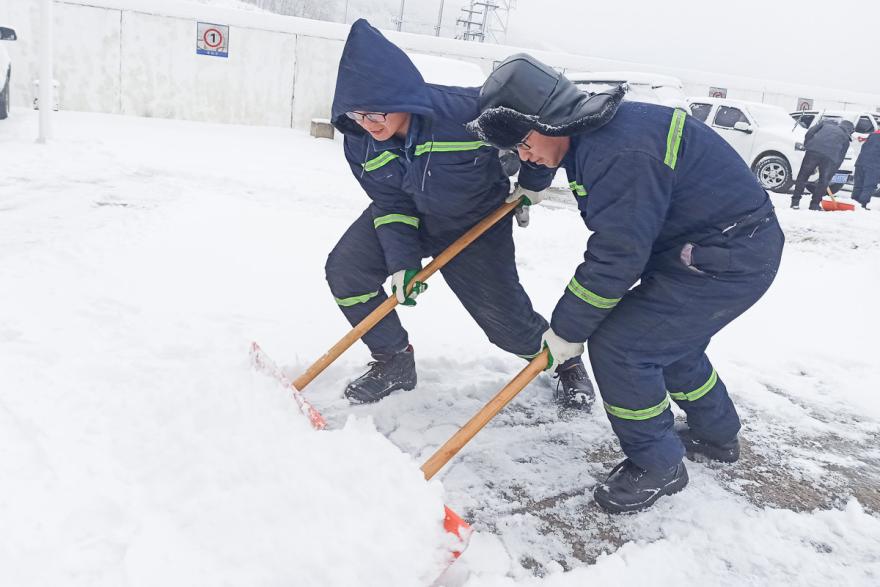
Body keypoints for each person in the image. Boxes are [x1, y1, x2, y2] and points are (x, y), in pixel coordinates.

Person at [466, 54, 785, 513]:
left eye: (522, 142)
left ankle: (659, 465)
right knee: (671, 343)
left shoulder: (619, 155)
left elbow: (617, 258)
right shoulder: (594, 133)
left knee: (623, 346)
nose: (523, 155)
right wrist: (532, 182)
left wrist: (567, 331)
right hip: (714, 248)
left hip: (728, 259)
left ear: (550, 121)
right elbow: (548, 151)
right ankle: (715, 435)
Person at [326, 21, 595, 408]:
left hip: (476, 224)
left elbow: (531, 126)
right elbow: (390, 203)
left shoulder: (465, 114)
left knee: (505, 325)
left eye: (376, 115)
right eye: (357, 116)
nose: (368, 126)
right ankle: (393, 360)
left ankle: (565, 365)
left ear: (401, 96)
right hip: (411, 219)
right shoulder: (360, 143)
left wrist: (534, 179)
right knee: (346, 272)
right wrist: (402, 262)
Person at [790, 117, 854, 210]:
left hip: (813, 152)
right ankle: (814, 205)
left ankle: (795, 203)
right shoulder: (845, 139)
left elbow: (810, 133)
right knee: (823, 182)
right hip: (830, 158)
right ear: (850, 131)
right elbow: (840, 158)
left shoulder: (825, 125)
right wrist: (830, 173)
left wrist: (808, 145)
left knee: (803, 176)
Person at [851, 130, 880, 209]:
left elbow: (864, 147)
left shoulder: (872, 135)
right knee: (869, 186)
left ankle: (853, 203)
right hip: (874, 166)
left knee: (858, 185)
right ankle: (861, 205)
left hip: (860, 163)